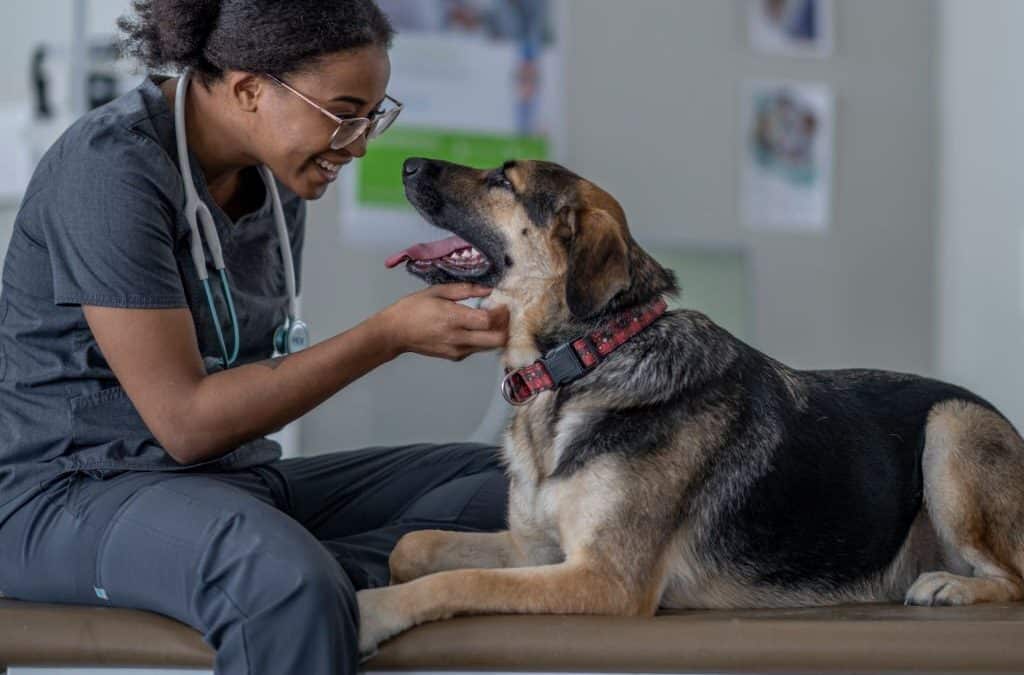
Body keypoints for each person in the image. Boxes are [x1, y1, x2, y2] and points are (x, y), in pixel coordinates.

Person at [0, 1, 510, 673]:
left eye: (373, 114)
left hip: (231, 486)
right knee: (283, 581)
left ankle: (309, 574)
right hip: (68, 497)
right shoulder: (109, 171)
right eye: (344, 111)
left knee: (517, 480)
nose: (360, 142)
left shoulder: (275, 184)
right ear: (248, 90)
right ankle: (290, 579)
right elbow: (185, 423)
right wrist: (387, 335)